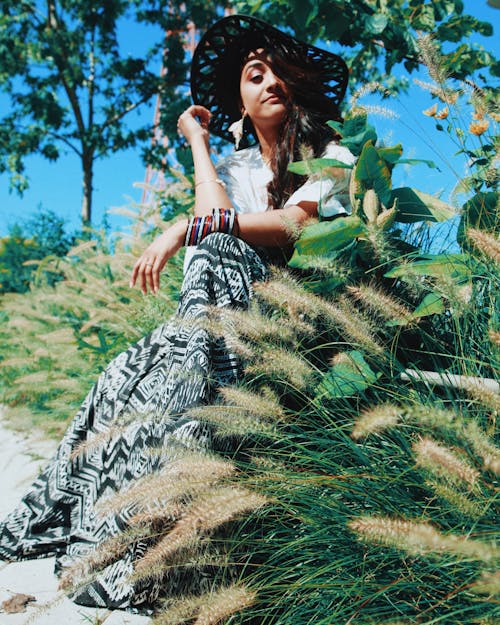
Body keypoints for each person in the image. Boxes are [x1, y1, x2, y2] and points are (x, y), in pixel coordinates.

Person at [0, 14, 355, 609]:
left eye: (276, 71)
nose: (268, 82)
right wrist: (198, 144)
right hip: (220, 320)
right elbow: (214, 221)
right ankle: (116, 542)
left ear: (295, 84)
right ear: (240, 100)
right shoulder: (238, 168)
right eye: (253, 74)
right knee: (123, 375)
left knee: (211, 248)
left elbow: (294, 226)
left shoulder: (331, 155)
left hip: (295, 316)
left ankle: (149, 554)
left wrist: (187, 227)